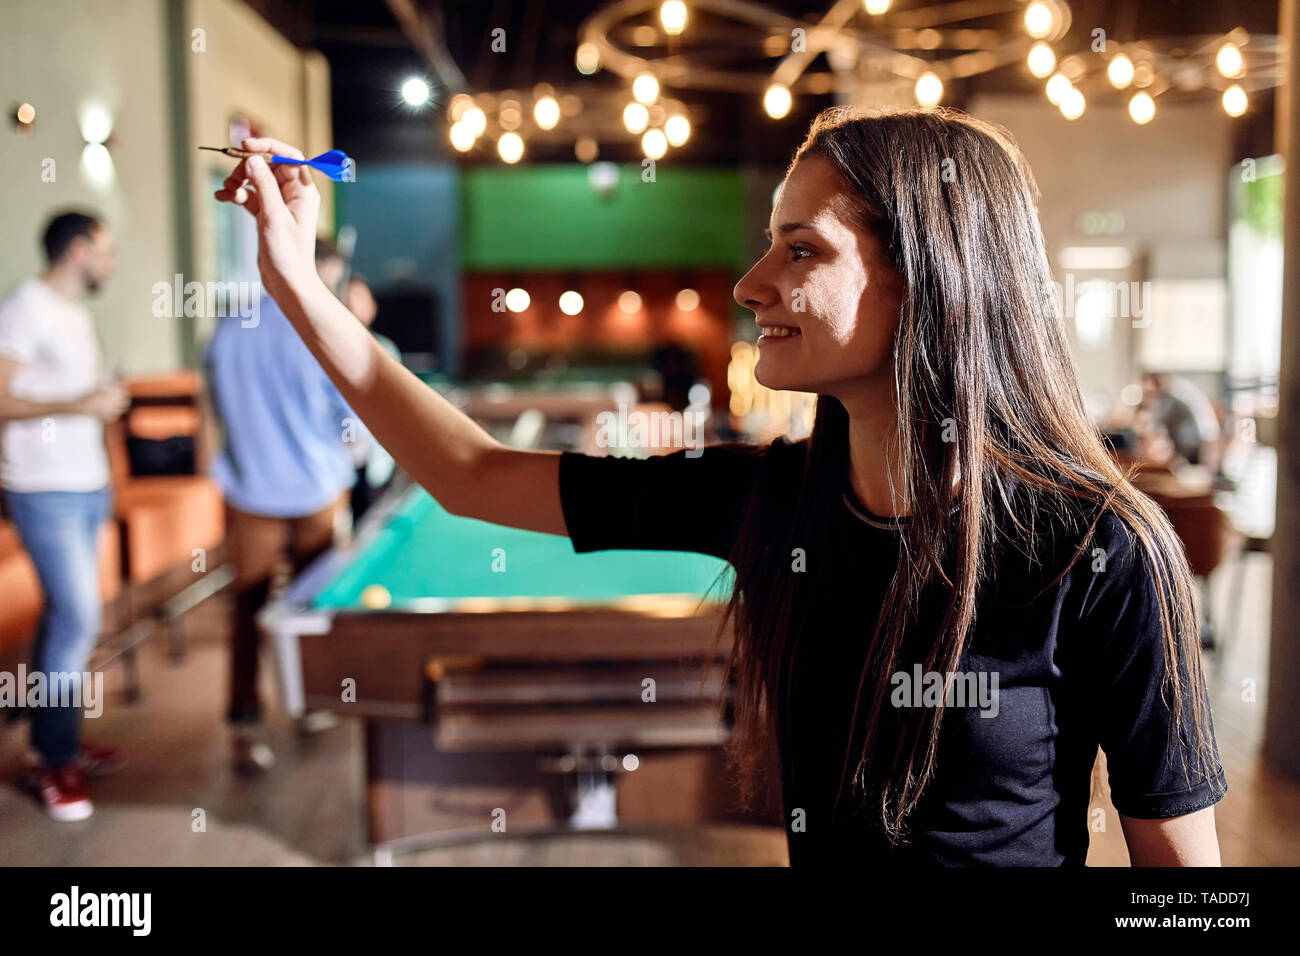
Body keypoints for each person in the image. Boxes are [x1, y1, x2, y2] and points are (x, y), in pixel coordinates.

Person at [215, 109, 1227, 865]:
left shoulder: (1104, 549)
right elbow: (470, 470)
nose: (749, 285)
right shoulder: (770, 499)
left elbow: (1185, 881)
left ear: (932, 276)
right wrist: (297, 285)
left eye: (800, 250)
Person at [205, 238, 364, 773]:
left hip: (249, 490)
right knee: (311, 606)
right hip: (315, 491)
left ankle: (244, 722)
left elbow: (215, 407)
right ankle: (312, 703)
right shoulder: (322, 328)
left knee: (248, 609)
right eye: (331, 274)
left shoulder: (230, 329)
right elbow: (353, 420)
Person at [0, 211, 128, 821]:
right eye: (106, 250)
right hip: (43, 490)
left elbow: (69, 397)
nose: (112, 262)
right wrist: (82, 401)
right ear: (78, 250)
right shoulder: (24, 306)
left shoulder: (74, 312)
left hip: (86, 486)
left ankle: (55, 744)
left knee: (62, 621)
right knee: (79, 620)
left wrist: (102, 403)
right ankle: (55, 763)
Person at [341, 275, 399, 521]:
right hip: (337, 464)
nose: (353, 307)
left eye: (360, 299)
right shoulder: (326, 347)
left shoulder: (385, 350)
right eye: (347, 300)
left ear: (372, 306)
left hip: (375, 460)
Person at [1139, 371, 1222, 469]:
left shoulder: (1173, 395)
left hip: (1192, 442)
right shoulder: (1178, 390)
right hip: (1199, 440)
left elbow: (1155, 422)